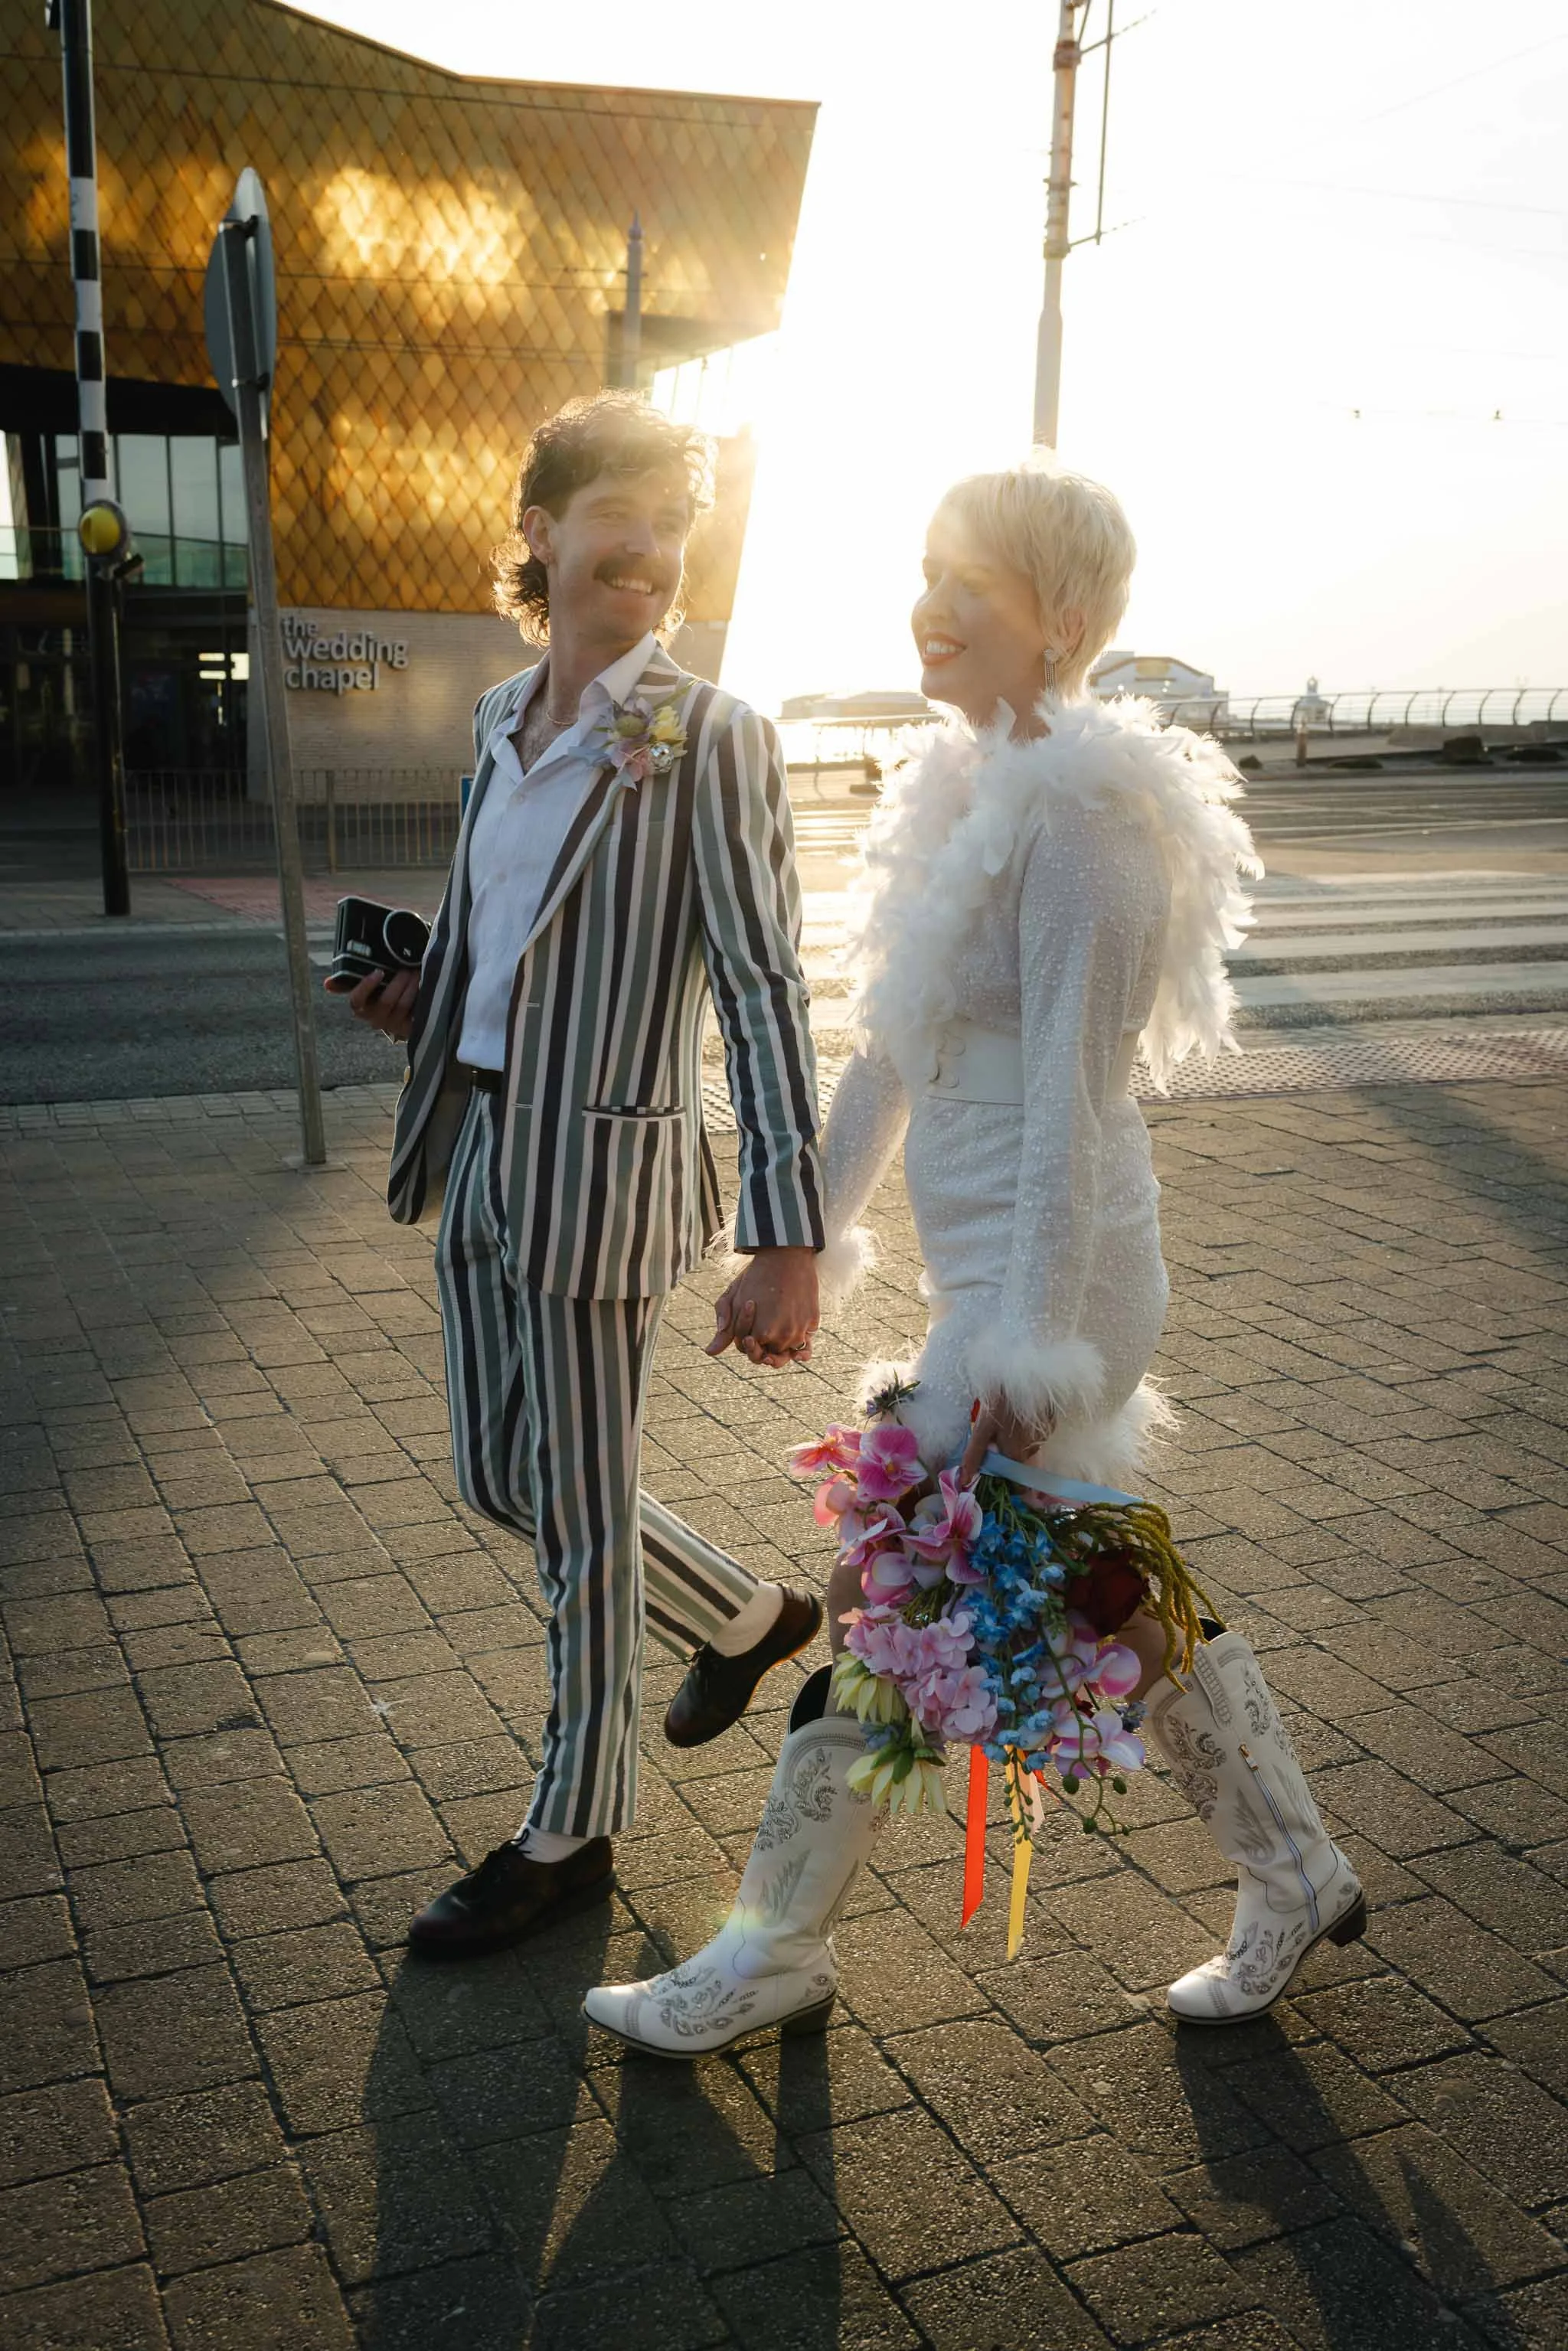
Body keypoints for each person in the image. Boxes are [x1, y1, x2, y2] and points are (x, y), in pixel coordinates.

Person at [585, 456, 1367, 2051]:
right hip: (992, 1274)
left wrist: (1026, 1348)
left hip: (1059, 1282)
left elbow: (1077, 1104)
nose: (930, 605)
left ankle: (769, 1949)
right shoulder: (955, 793)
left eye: (971, 584)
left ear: (1059, 619)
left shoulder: (1085, 823)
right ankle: (1295, 1868)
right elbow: (887, 1055)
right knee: (1103, 1591)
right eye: (927, 572)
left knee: (885, 1578)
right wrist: (797, 1242)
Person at [339, 392, 828, 1957]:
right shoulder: (499, 720)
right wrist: (422, 999)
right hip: (477, 1137)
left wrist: (789, 1235)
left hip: (601, 1174)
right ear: (542, 534)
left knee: (581, 1522)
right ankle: (749, 1615)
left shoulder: (710, 734)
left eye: (674, 527)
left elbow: (761, 988)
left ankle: (574, 1822)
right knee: (507, 1477)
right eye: (619, 515)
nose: (650, 550)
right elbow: (510, 939)